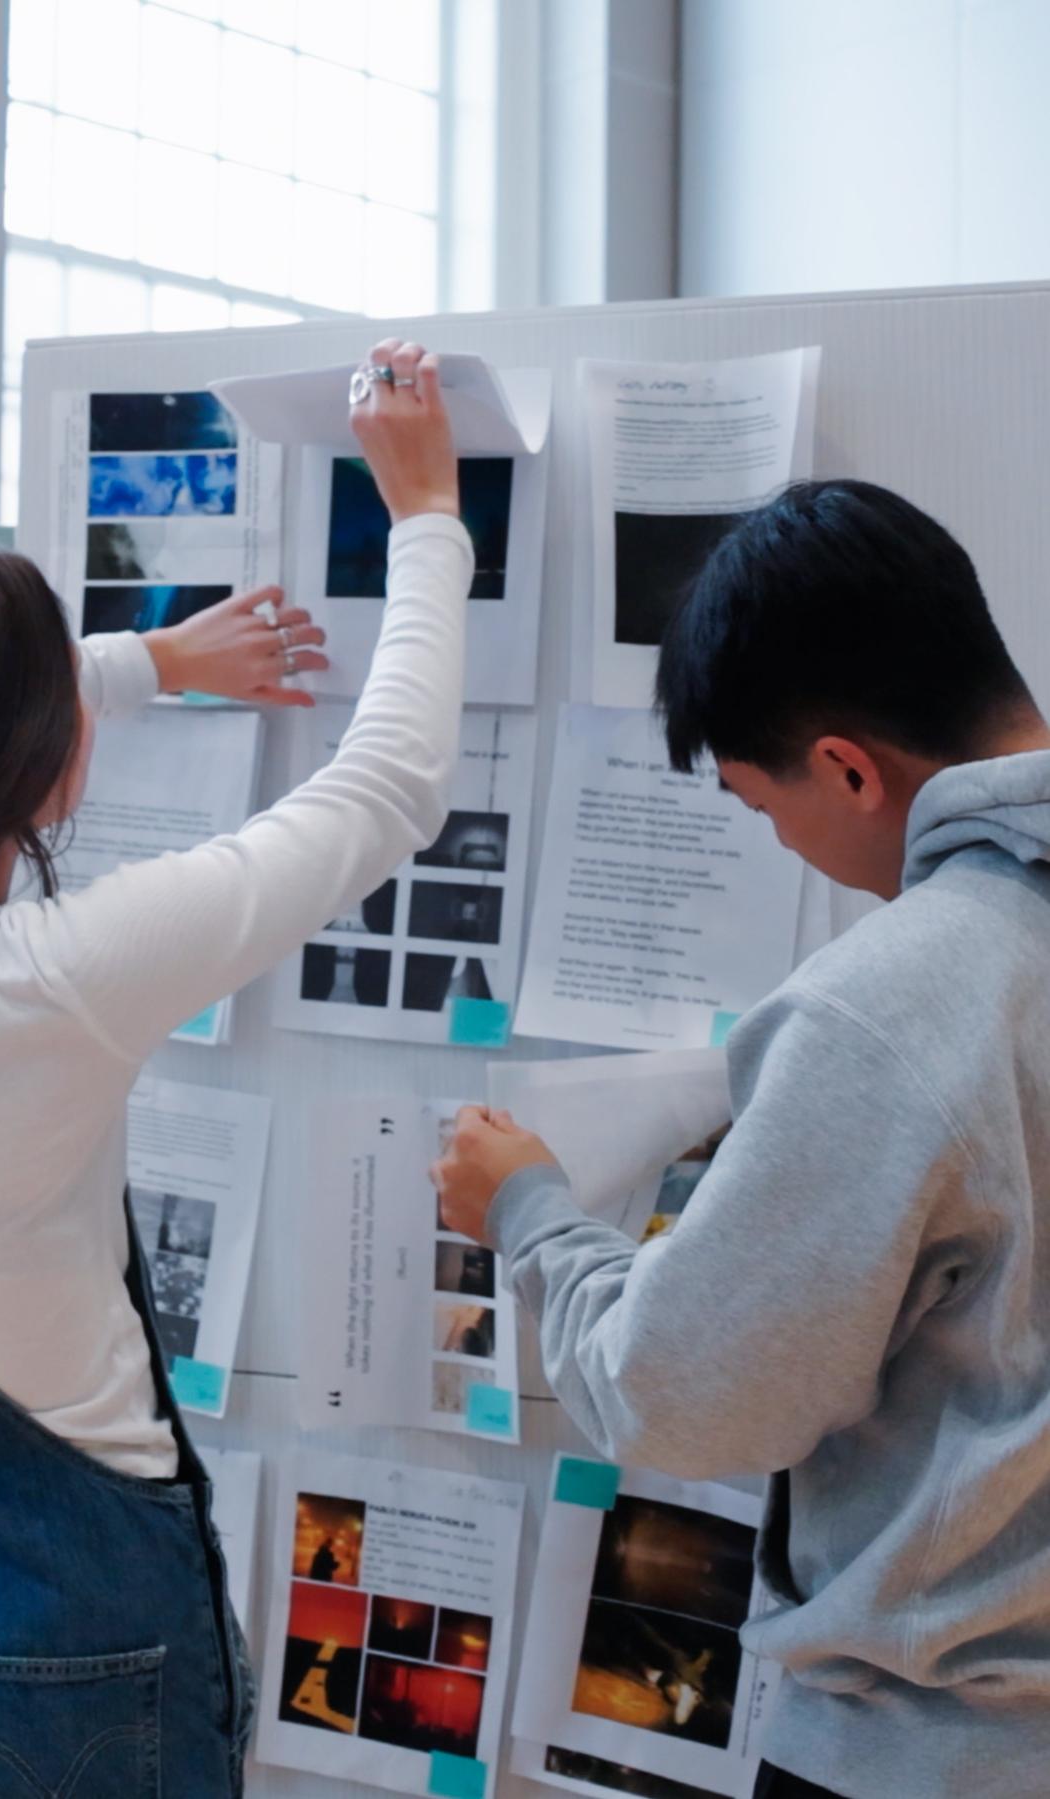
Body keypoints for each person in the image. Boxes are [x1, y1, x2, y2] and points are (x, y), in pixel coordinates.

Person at [0, 336, 467, 1799]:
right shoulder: (43, 984)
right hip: (46, 1662)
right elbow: (384, 790)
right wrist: (423, 516)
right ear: (55, 768)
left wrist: (148, 660)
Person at [432, 480, 1050, 1799]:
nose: (787, 845)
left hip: (936, 1759)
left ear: (844, 767)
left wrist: (529, 1209)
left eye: (762, 807)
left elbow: (686, 1397)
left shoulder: (881, 1009)